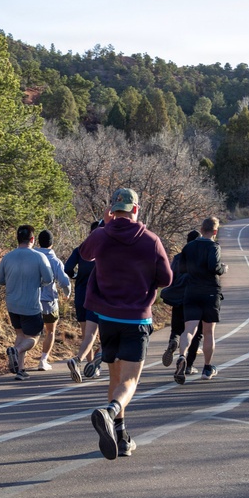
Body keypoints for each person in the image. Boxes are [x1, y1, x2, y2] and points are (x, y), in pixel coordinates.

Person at [81, 188, 172, 459]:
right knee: (130, 380)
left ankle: (121, 437)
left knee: (116, 379)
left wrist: (103, 225)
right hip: (136, 318)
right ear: (136, 209)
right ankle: (109, 413)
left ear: (112, 209)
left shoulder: (100, 235)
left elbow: (85, 254)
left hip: (107, 319)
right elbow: (166, 278)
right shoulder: (151, 240)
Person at [0, 225, 54, 381]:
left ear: (17, 239)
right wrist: (39, 282)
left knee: (20, 334)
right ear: (32, 239)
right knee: (34, 337)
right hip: (31, 304)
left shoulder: (8, 257)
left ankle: (20, 370)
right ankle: (17, 350)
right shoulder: (38, 257)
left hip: (12, 304)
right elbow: (49, 279)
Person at [173, 216, 226, 383]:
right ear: (215, 231)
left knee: (189, 329)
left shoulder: (188, 247)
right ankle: (207, 367)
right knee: (208, 331)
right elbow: (213, 267)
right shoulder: (214, 246)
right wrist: (223, 269)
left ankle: (182, 356)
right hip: (210, 291)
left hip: (192, 290)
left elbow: (181, 268)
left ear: (201, 229)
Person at [64, 220, 103, 383]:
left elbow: (67, 269)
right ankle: (93, 365)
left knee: (87, 334)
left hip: (81, 295)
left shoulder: (80, 250)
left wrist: (76, 277)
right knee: (102, 334)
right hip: (99, 296)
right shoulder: (105, 250)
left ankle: (90, 364)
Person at [160, 230, 202, 373]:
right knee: (195, 333)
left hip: (178, 298)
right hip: (194, 299)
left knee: (176, 329)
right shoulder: (200, 258)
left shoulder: (178, 257)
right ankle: (188, 365)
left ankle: (174, 342)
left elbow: (170, 277)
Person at [34, 229, 72, 371]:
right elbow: (64, 281)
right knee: (50, 331)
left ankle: (20, 355)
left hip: (32, 300)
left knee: (31, 332)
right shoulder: (55, 261)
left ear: (38, 241)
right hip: (49, 301)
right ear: (52, 243)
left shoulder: (33, 257)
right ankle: (43, 360)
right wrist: (67, 293)